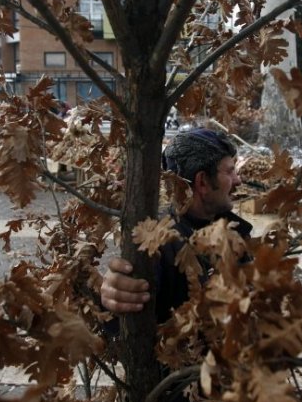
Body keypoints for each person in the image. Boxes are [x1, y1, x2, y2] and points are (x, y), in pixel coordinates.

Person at [101, 128, 251, 320]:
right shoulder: (158, 243)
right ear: (202, 182)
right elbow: (127, 307)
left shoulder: (235, 230)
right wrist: (113, 296)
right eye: (230, 171)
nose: (238, 180)